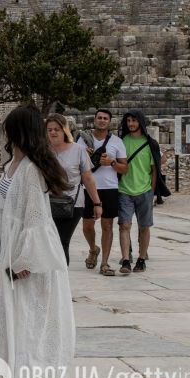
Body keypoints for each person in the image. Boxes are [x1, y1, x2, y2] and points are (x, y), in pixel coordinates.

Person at [0, 105, 74, 378]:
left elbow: (35, 218)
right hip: (3, 243)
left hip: (21, 252)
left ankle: (37, 374)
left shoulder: (31, 171)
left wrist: (25, 259)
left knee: (20, 311)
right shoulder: (13, 164)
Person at [45, 114, 102, 266]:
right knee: (48, 243)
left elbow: (88, 178)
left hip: (72, 203)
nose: (53, 133)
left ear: (64, 130)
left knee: (62, 240)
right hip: (46, 202)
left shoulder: (78, 150)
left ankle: (61, 282)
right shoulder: (42, 152)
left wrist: (97, 203)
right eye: (49, 129)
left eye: (56, 129)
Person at [79, 109, 127, 277]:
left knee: (107, 226)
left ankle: (105, 263)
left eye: (105, 118)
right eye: (99, 117)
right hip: (87, 188)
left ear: (109, 122)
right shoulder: (83, 140)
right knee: (87, 225)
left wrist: (111, 162)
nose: (101, 120)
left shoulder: (117, 142)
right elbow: (75, 162)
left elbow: (125, 168)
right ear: (94, 119)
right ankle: (93, 249)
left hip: (109, 188)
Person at [117, 110, 163, 275]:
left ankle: (141, 259)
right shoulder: (121, 141)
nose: (131, 124)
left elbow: (154, 169)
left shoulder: (150, 144)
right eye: (128, 120)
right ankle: (126, 260)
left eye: (134, 121)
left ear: (140, 122)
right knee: (124, 225)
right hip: (124, 190)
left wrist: (152, 190)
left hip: (144, 190)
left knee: (144, 226)